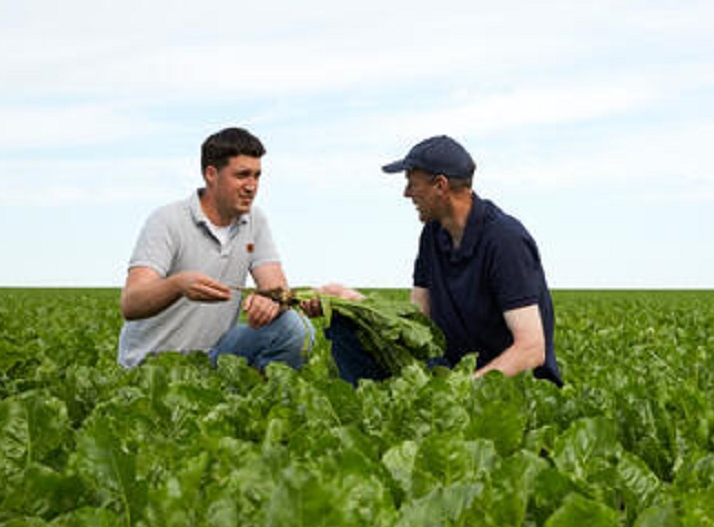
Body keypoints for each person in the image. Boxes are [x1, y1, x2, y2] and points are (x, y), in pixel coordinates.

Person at [324, 135, 562, 386]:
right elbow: (416, 324)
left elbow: (531, 349)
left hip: (504, 384)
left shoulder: (505, 240)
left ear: (440, 185)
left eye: (412, 184)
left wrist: (459, 389)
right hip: (450, 371)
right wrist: (352, 301)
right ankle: (371, 404)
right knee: (346, 322)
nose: (406, 193)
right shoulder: (432, 234)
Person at [117, 127, 312, 372]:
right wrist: (178, 285)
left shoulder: (255, 221)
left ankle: (260, 390)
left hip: (214, 356)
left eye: (257, 176)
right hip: (156, 364)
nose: (252, 186)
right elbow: (131, 303)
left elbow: (277, 288)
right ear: (211, 174)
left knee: (295, 327)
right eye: (242, 175)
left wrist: (271, 301)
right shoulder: (167, 220)